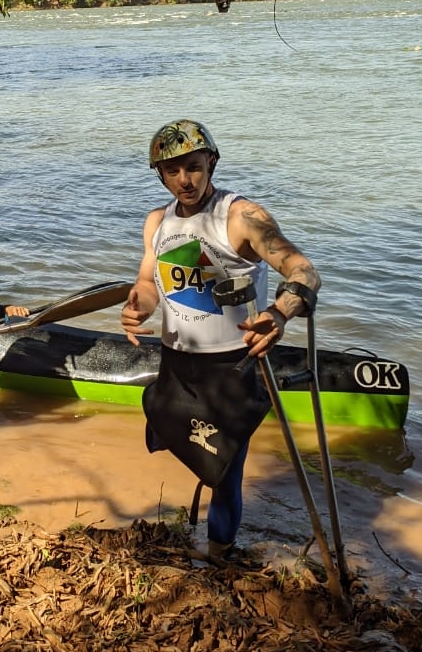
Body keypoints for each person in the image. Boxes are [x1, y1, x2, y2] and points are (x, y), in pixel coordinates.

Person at [119, 119, 321, 562]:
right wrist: (139, 305)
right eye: (172, 171)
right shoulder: (157, 222)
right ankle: (196, 526)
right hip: (177, 364)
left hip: (231, 364)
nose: (185, 181)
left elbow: (304, 272)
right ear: (159, 173)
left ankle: (218, 551)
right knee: (177, 438)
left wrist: (278, 313)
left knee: (226, 468)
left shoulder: (241, 217)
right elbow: (149, 283)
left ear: (211, 160)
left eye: (193, 166)